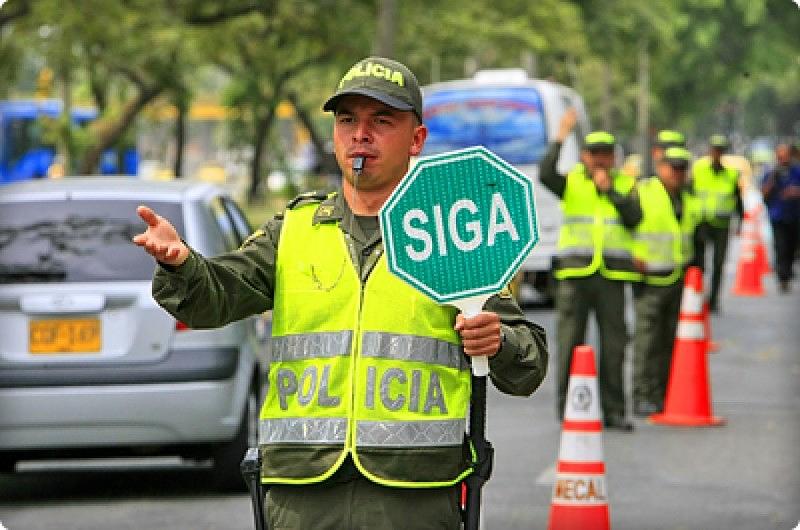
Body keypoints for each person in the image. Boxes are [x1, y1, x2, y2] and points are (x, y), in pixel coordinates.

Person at [133, 56, 548, 530]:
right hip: (302, 495)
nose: (360, 134)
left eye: (381, 121)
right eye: (348, 120)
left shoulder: (450, 234)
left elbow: (528, 365)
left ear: (416, 139)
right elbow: (213, 299)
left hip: (412, 497)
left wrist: (497, 343)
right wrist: (181, 263)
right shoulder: (294, 230)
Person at [539, 109, 642, 431]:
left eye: (606, 155)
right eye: (594, 154)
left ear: (614, 157)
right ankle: (569, 408)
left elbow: (634, 218)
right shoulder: (571, 181)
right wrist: (560, 135)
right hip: (575, 276)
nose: (600, 160)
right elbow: (544, 173)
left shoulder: (625, 183)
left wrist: (609, 189)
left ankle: (613, 410)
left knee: (614, 346)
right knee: (570, 343)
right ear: (584, 156)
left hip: (612, 276)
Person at [632, 147, 699, 416]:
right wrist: (633, 258)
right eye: (673, 167)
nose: (678, 173)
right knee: (647, 342)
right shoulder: (645, 191)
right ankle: (642, 394)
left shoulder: (686, 197)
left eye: (683, 168)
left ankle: (662, 394)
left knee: (669, 341)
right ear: (661, 167)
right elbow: (625, 225)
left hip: (677, 278)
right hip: (650, 279)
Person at [689, 134, 743, 312]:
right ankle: (697, 296)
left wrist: (740, 222)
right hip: (701, 223)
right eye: (715, 150)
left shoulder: (731, 174)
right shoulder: (699, 170)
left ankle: (713, 300)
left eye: (720, 151)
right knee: (699, 263)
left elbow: (737, 200)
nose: (717, 154)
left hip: (722, 225)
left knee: (719, 263)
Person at [760, 142, 800, 293]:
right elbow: (764, 193)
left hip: (795, 215)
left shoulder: (796, 171)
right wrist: (772, 180)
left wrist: (794, 192)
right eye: (780, 155)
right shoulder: (771, 172)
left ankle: (788, 271)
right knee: (781, 245)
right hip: (777, 215)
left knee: (792, 246)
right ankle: (782, 276)